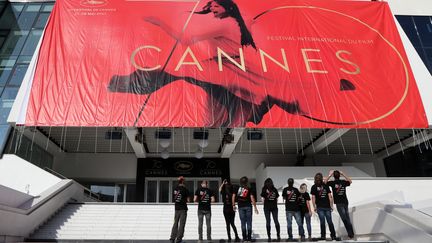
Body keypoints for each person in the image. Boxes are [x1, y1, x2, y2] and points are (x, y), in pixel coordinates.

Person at [109, 0, 304, 126]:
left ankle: (125, 83)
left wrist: (161, 23)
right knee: (225, 105)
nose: (211, 9)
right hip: (228, 67)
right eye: (210, 7)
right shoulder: (239, 23)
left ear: (227, 8)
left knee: (172, 71)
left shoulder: (224, 24)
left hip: (223, 68)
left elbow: (186, 39)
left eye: (215, 6)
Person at [325, 170, 355, 239]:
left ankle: (350, 233)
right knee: (347, 218)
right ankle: (351, 233)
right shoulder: (343, 182)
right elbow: (350, 181)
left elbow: (325, 182)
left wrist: (329, 175)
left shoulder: (332, 183)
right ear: (339, 176)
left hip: (339, 203)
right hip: (345, 202)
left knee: (344, 218)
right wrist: (343, 174)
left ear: (333, 176)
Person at [311, 173, 338, 241]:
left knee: (322, 222)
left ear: (315, 178)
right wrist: (331, 206)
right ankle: (333, 236)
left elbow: (313, 198)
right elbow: (330, 196)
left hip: (320, 207)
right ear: (321, 178)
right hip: (327, 207)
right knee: (330, 221)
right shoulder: (326, 186)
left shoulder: (314, 187)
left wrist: (314, 207)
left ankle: (323, 236)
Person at [232, 176, 259, 242]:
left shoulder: (237, 188)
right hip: (248, 207)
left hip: (241, 207)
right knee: (249, 223)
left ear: (240, 181)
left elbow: (233, 196)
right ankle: (249, 239)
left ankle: (244, 239)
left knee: (243, 223)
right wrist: (255, 207)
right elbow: (252, 198)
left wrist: (233, 205)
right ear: (246, 182)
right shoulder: (249, 188)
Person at [170, 176, 190, 243]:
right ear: (183, 181)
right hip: (183, 209)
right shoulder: (185, 189)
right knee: (182, 224)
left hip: (176, 208)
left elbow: (175, 198)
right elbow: (188, 200)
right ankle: (178, 240)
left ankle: (172, 238)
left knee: (175, 223)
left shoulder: (175, 189)